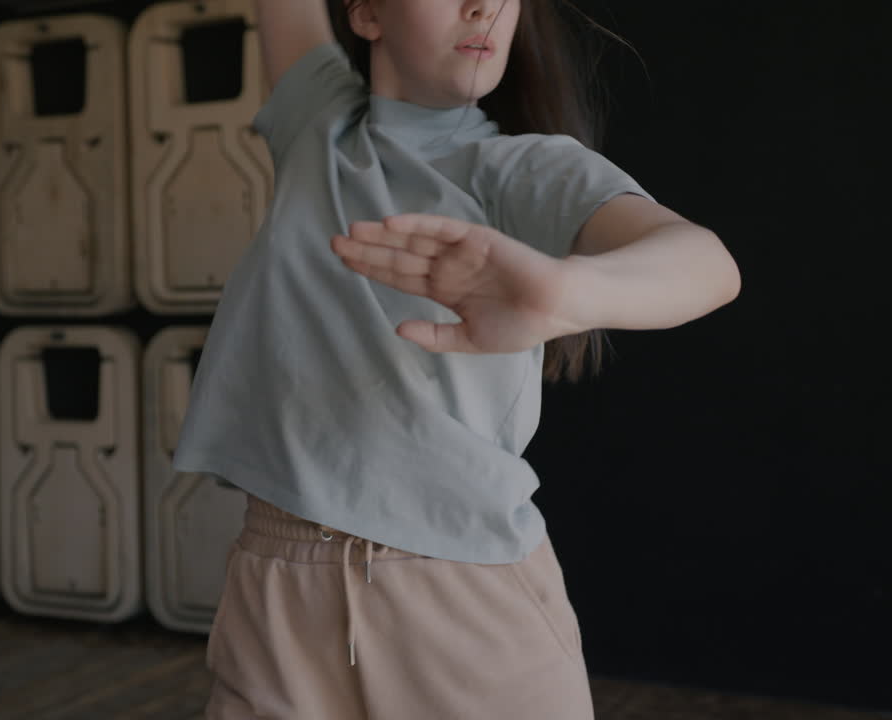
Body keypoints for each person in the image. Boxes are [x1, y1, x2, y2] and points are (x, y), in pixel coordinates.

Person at [172, 0, 741, 717]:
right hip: (279, 587)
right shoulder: (317, 118)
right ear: (368, 14)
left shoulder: (520, 166)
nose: (484, 8)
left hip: (461, 598)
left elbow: (707, 264)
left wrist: (568, 289)